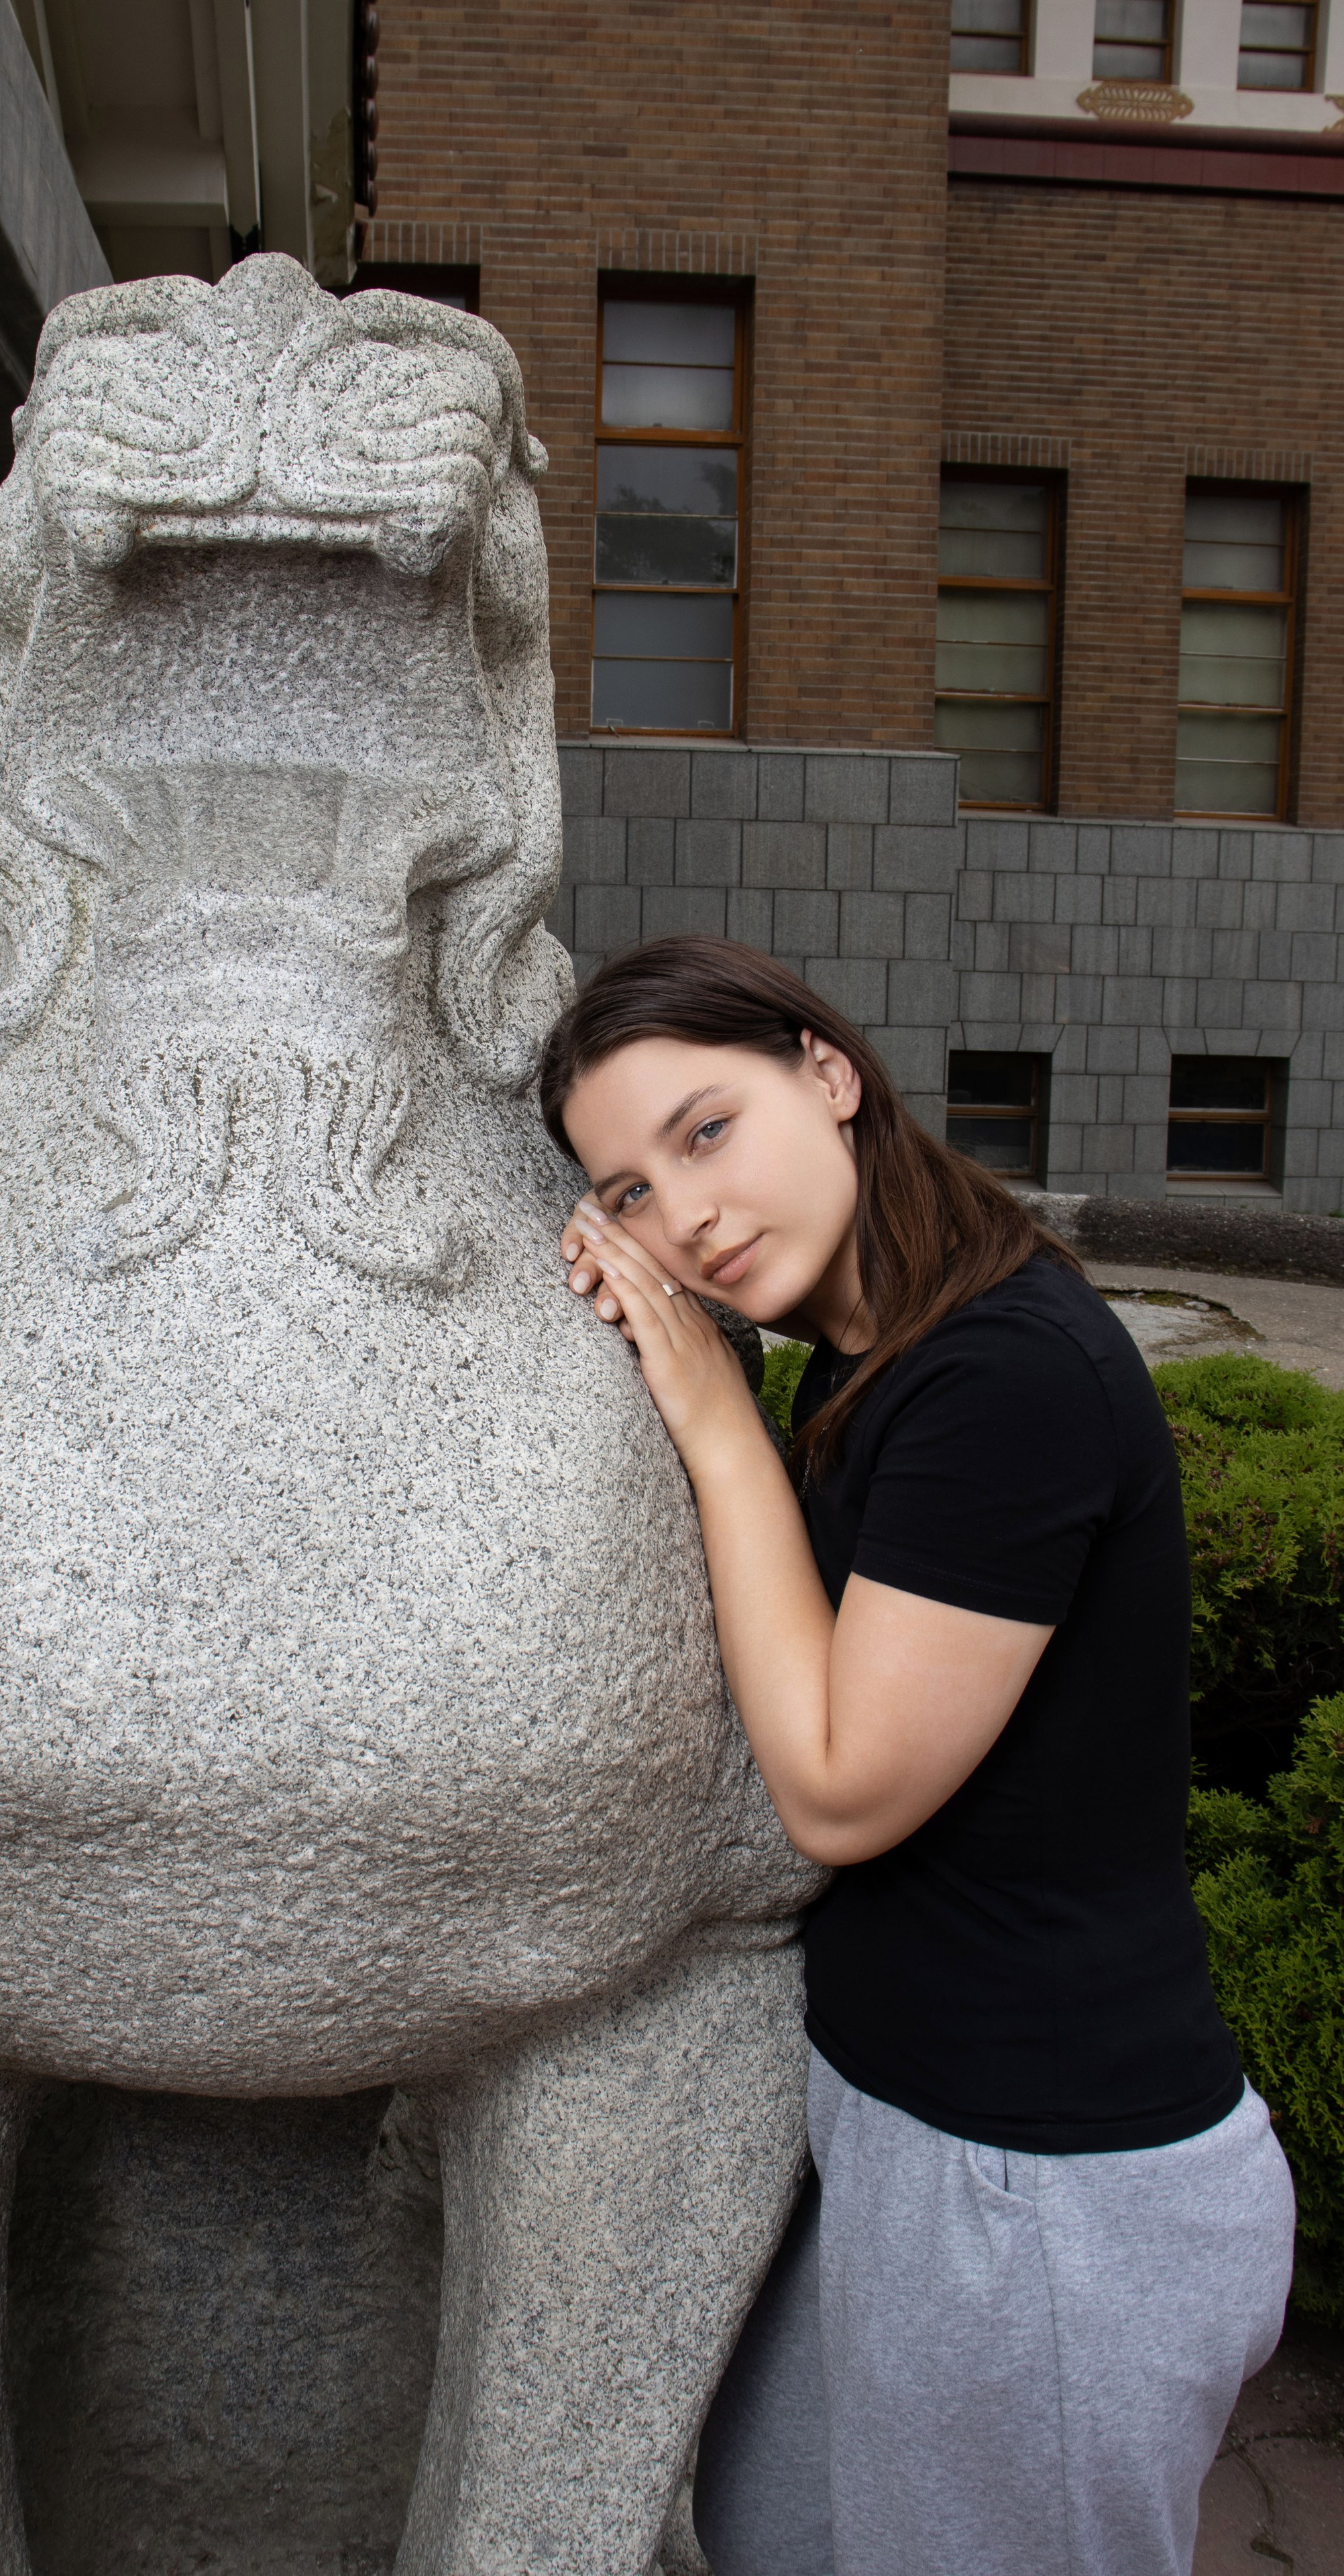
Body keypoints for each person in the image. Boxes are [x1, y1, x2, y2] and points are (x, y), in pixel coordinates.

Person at [540, 936, 1294, 2576]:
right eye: (631, 1192)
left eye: (704, 1130)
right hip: (914, 2139)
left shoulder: (999, 1374)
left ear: (827, 1072)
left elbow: (840, 1784)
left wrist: (712, 1421)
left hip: (1045, 2190)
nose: (688, 1216)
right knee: (767, 2529)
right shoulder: (879, 1356)